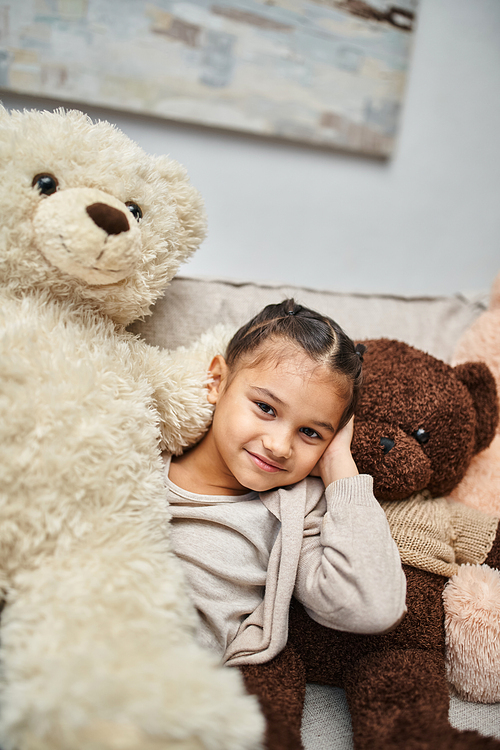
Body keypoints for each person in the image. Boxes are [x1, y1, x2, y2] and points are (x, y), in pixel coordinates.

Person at [164, 299, 406, 749]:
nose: (279, 446)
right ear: (217, 380)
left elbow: (373, 606)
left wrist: (340, 469)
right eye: (266, 408)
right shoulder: (136, 453)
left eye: (311, 432)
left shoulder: (296, 510)